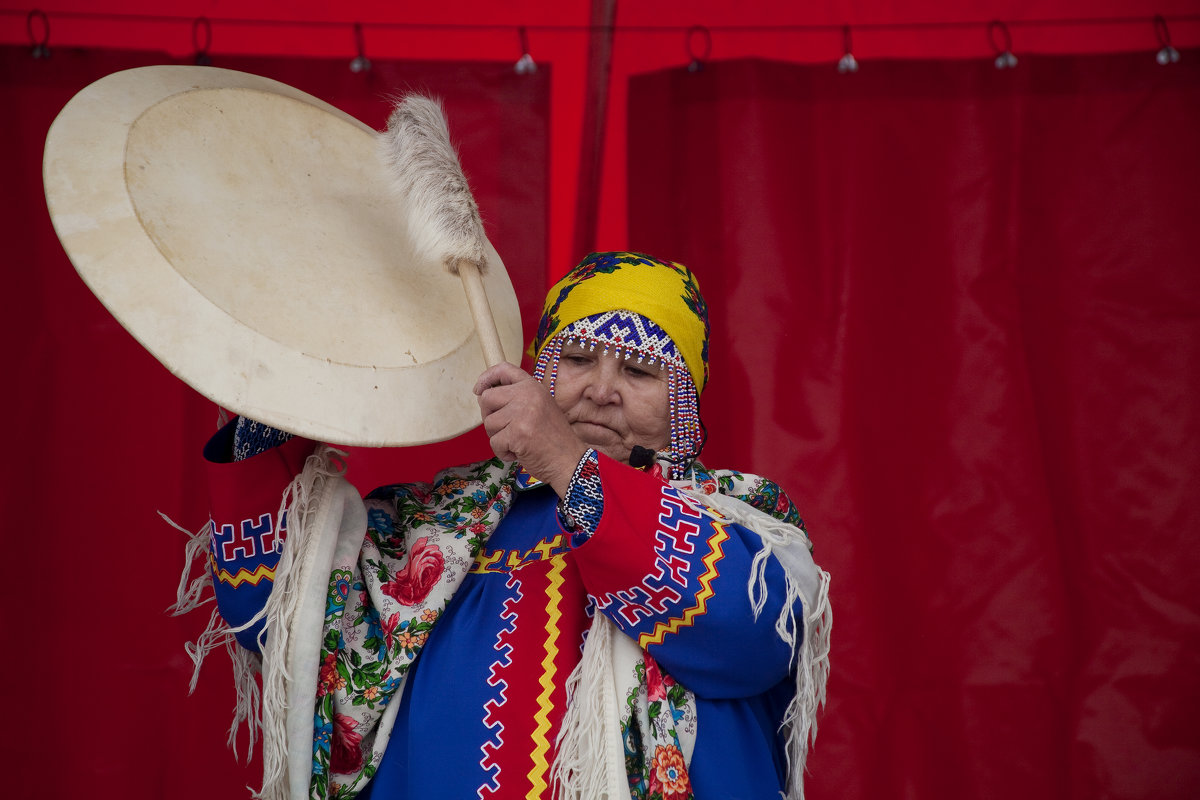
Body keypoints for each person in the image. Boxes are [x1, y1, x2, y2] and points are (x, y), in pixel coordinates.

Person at [178, 251, 830, 800]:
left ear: (683, 400)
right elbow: (283, 626)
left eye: (639, 371)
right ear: (537, 371)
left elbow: (746, 644)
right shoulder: (431, 520)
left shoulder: (742, 518)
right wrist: (271, 400)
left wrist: (569, 465)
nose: (604, 389)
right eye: (577, 359)